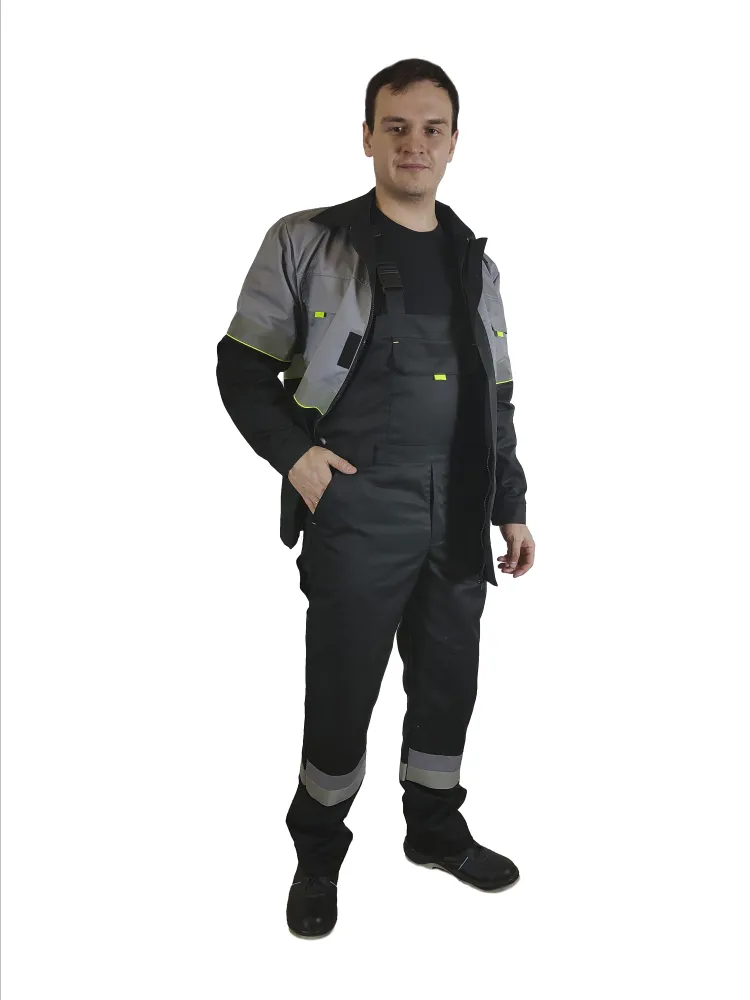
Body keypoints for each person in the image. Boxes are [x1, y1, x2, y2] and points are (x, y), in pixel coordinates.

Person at [216, 57, 535, 938]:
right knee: (342, 689)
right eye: (396, 127)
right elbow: (240, 366)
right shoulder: (308, 241)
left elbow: (496, 399)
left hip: (458, 506)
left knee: (448, 682)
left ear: (455, 142)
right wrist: (297, 459)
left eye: (432, 129)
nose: (414, 144)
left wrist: (509, 503)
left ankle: (433, 829)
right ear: (366, 137)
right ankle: (318, 852)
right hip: (358, 506)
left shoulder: (476, 263)